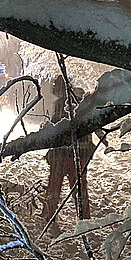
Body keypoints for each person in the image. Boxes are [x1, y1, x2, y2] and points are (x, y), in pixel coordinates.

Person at [42, 77, 96, 221]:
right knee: (80, 189)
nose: (53, 89)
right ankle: (84, 218)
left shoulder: (62, 104)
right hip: (81, 155)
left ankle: (48, 215)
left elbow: (56, 130)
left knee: (54, 187)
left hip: (62, 155)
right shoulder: (83, 103)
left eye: (55, 86)